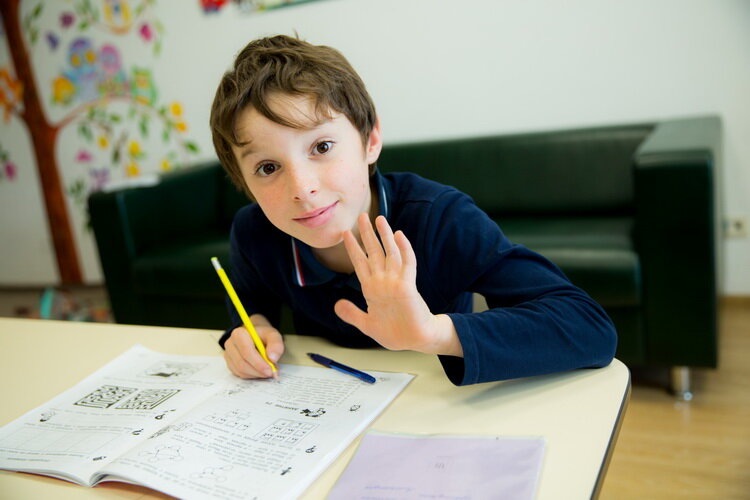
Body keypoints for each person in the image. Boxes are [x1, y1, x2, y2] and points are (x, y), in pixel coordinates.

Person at [209, 35, 616, 385]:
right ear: (245, 183)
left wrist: (433, 333)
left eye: (322, 147)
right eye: (267, 167)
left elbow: (588, 327)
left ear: (370, 141)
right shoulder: (254, 232)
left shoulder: (440, 218)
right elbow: (248, 306)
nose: (302, 188)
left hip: (441, 409)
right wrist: (251, 330)